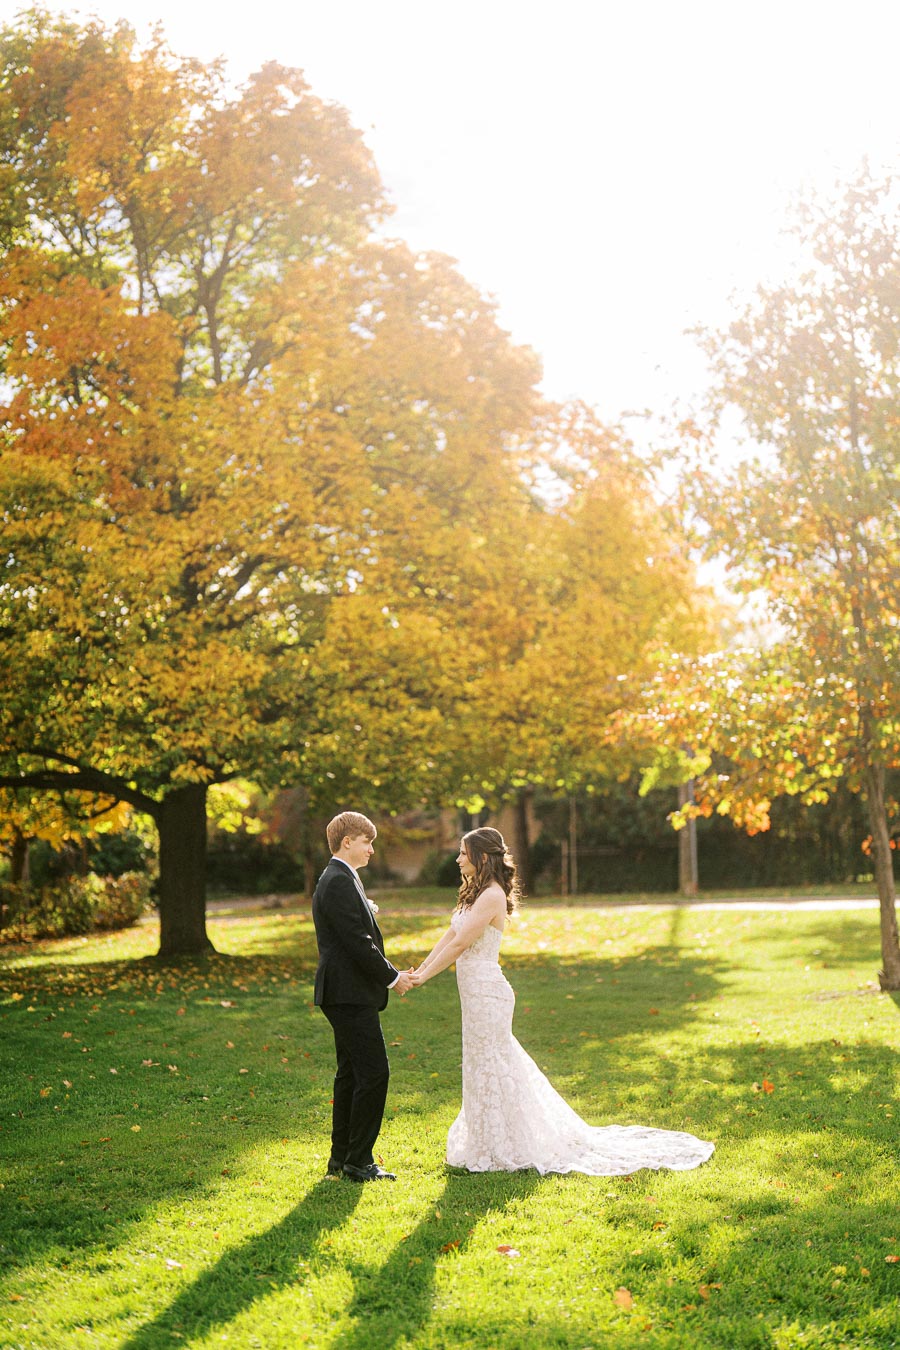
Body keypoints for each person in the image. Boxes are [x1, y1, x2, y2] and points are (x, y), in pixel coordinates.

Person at [410, 826, 714, 1175]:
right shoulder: (472, 894)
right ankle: (489, 1140)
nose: (459, 858)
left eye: (464, 852)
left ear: (482, 856)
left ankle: (506, 1143)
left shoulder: (491, 895)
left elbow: (462, 944)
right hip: (475, 993)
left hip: (488, 993)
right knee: (483, 1062)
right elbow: (450, 935)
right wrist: (420, 972)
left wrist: (423, 979)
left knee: (493, 1063)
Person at [312, 811, 413, 1182]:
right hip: (348, 993)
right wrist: (393, 978)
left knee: (351, 1075)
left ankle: (341, 1160)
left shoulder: (341, 877)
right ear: (347, 842)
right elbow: (358, 942)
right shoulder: (338, 880)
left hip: (344, 992)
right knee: (374, 1074)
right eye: (367, 841)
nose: (372, 849)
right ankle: (359, 1161)